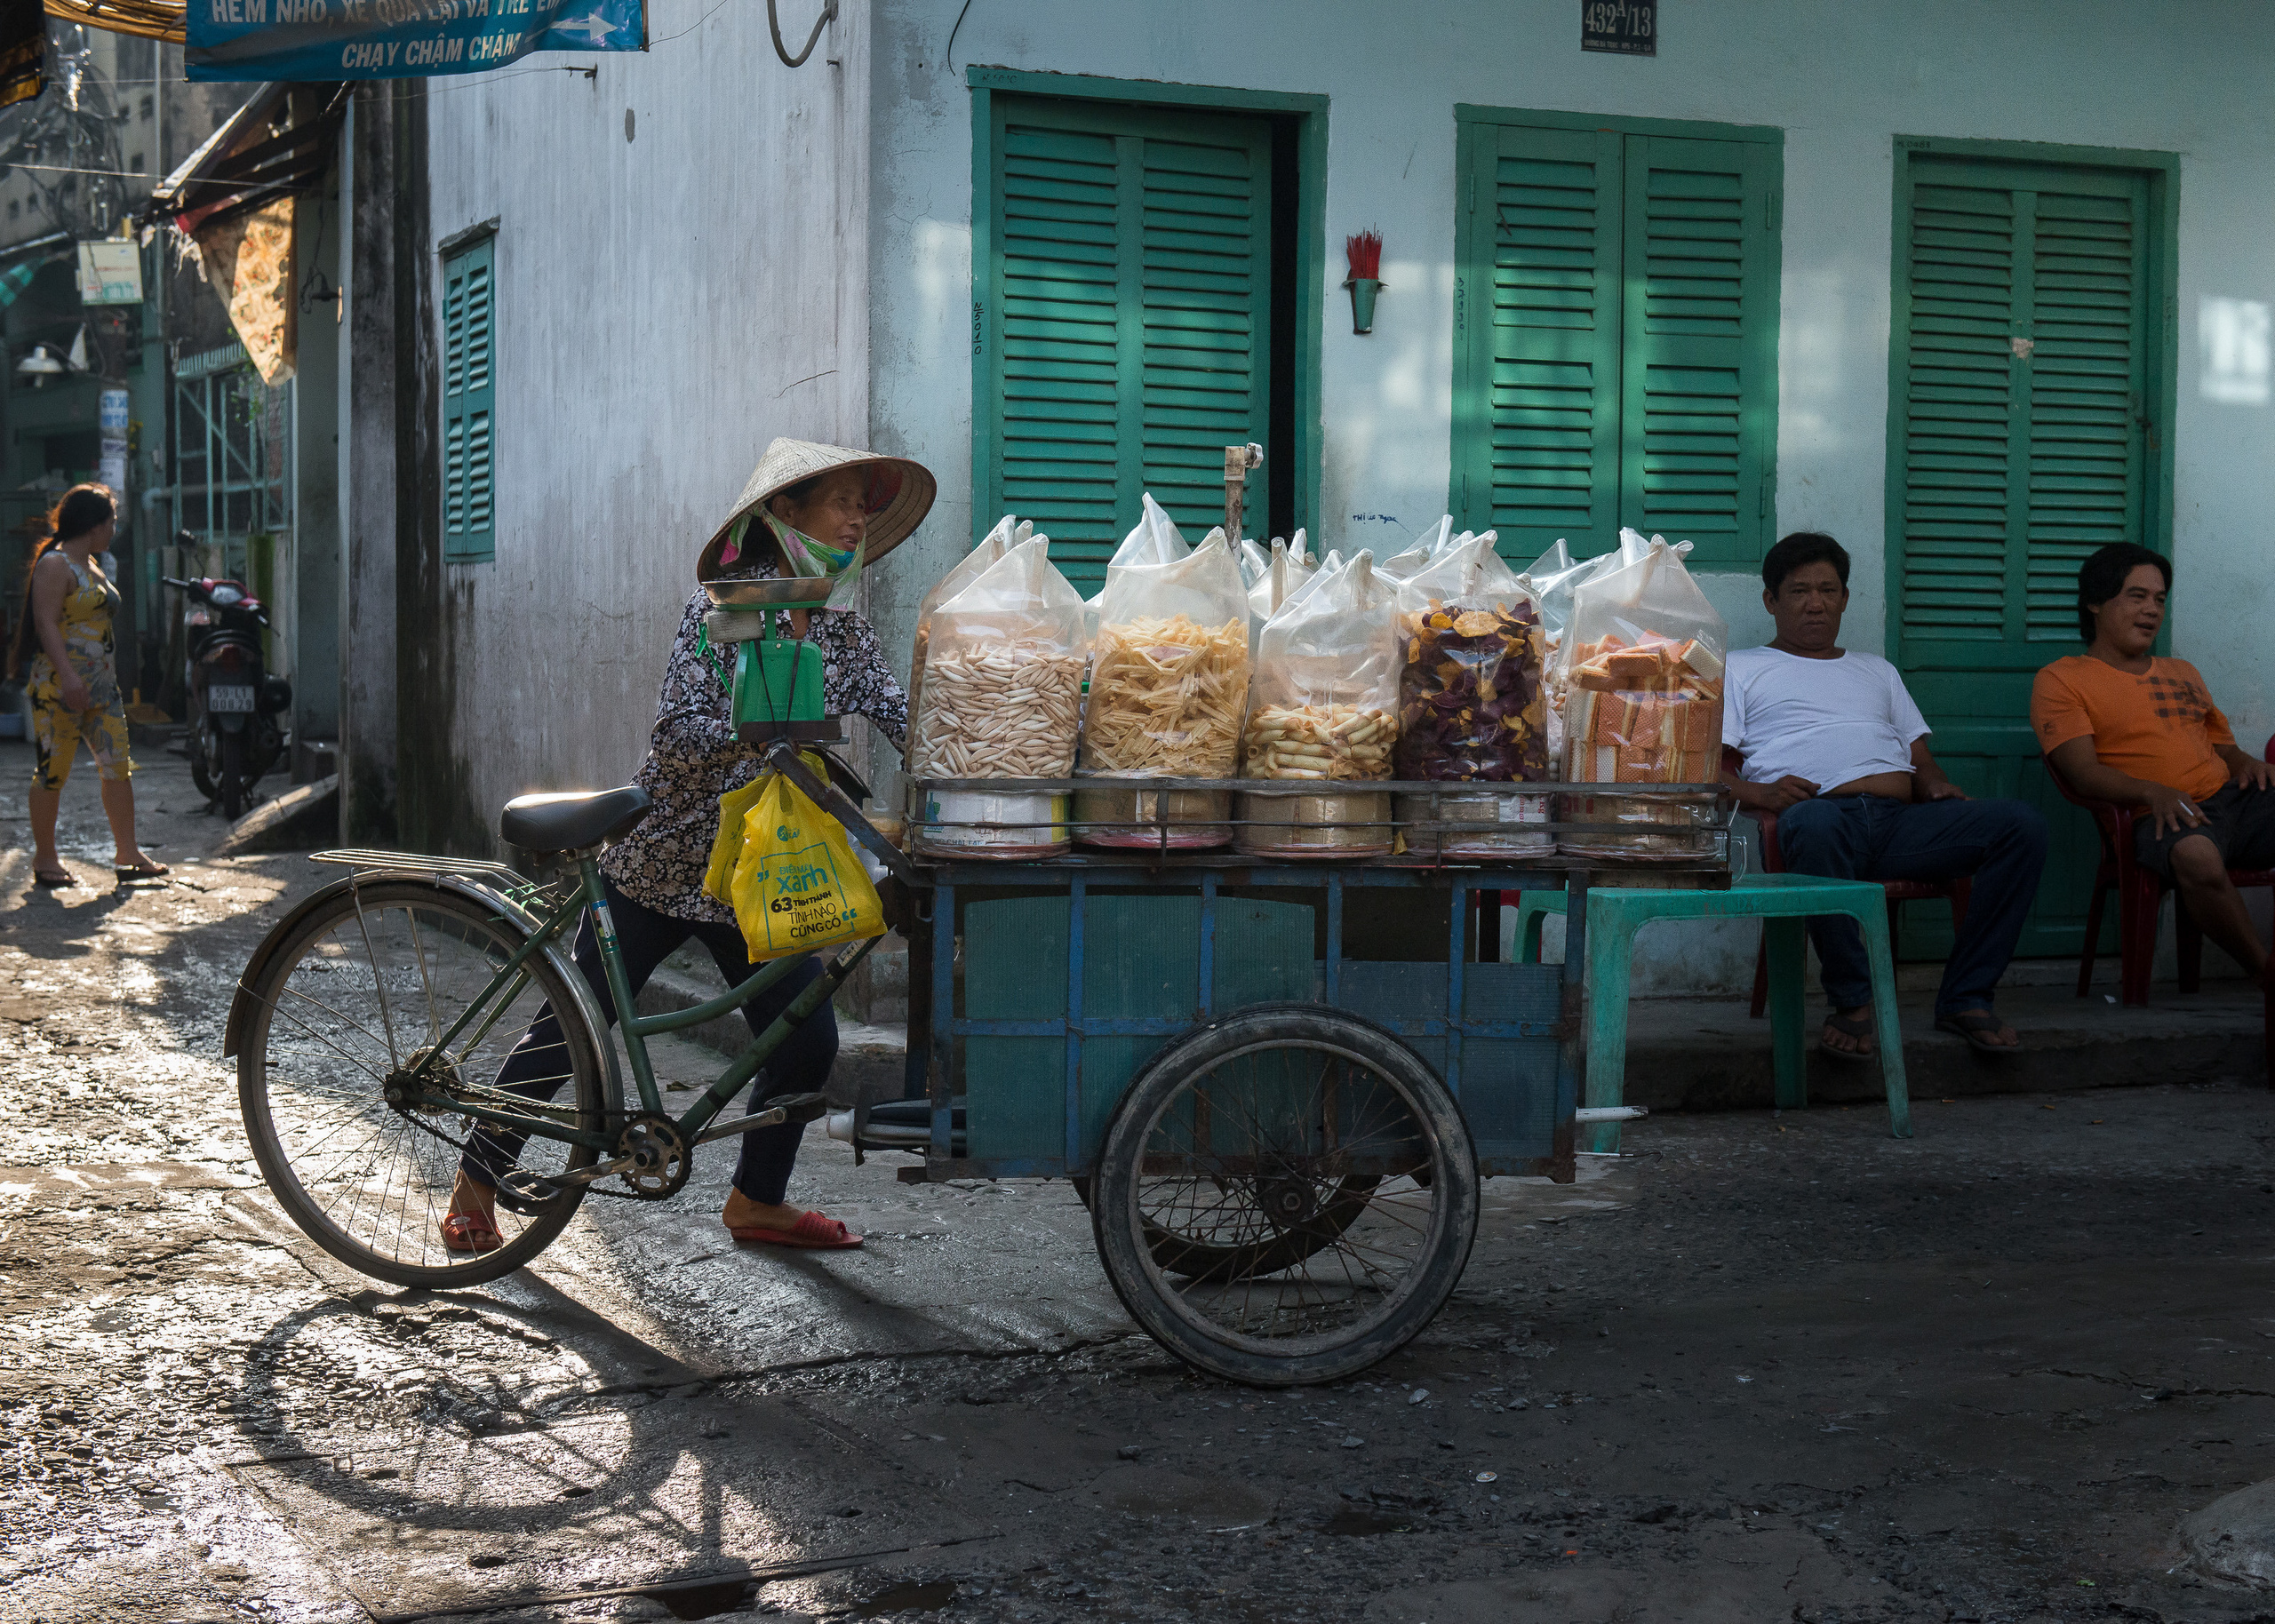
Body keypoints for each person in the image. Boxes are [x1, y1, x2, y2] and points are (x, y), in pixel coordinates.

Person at [442, 438, 935, 1255]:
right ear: (786, 512)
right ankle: (475, 1182)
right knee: (573, 1027)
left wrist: (972, 757)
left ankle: (756, 1202)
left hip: (762, 874)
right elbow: (676, 735)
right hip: (664, 862)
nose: (857, 520)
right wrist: (761, 731)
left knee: (806, 1039)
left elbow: (898, 713)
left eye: (863, 507)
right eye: (842, 503)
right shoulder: (720, 614)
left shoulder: (841, 631)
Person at [1722, 532, 2048, 1057]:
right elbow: (1712, 775)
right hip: (1817, 820)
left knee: (2020, 826)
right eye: (1800, 591)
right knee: (1815, 823)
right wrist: (1761, 793)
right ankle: (1853, 1002)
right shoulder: (1741, 668)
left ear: (1845, 598)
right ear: (1770, 600)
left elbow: (1921, 759)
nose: (1815, 603)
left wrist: (1936, 784)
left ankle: (1966, 997)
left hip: (1900, 825)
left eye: (1828, 590)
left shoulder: (1878, 670)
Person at [2032, 543, 2275, 986]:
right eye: (2137, 596)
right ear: (2095, 602)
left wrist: (2249, 764)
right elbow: (2082, 772)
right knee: (2198, 858)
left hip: (2232, 801)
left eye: (2160, 599)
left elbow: (2225, 750)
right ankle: (2266, 973)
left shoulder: (2182, 672)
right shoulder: (2062, 679)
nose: (2152, 610)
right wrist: (2152, 791)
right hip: (2156, 816)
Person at [8, 484, 167, 889]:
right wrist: (69, 676)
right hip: (60, 687)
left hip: (102, 689)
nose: (114, 529)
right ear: (93, 525)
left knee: (118, 767)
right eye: (111, 521)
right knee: (52, 771)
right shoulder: (55, 564)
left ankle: (128, 853)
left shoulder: (92, 564)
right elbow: (45, 624)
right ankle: (45, 859)